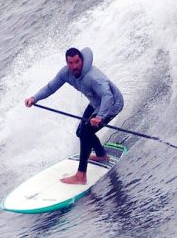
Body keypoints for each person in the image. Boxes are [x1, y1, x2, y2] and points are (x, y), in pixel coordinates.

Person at [25, 47, 124, 185]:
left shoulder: (93, 77)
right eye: (71, 63)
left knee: (86, 133)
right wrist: (34, 98)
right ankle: (101, 155)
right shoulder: (66, 73)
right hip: (96, 103)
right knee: (80, 132)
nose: (74, 66)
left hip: (112, 105)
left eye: (77, 62)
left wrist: (100, 117)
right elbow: (50, 87)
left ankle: (81, 176)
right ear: (67, 63)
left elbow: (107, 96)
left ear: (82, 60)